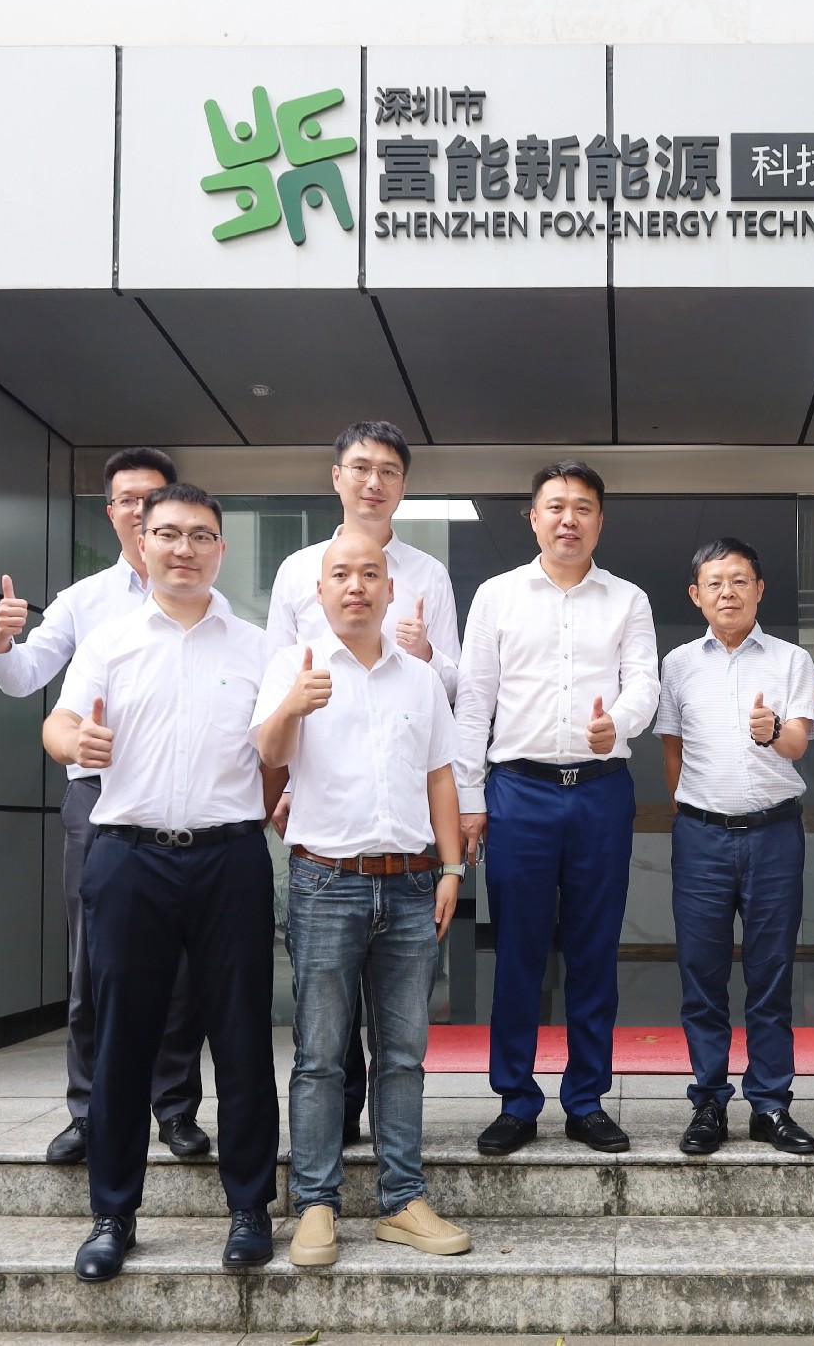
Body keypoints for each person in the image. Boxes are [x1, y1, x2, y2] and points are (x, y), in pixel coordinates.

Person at [43, 483, 283, 1282]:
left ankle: (249, 1207)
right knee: (123, 1038)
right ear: (142, 543)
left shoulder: (256, 646)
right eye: (169, 533)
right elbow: (58, 723)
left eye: (201, 535)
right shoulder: (109, 641)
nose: (185, 548)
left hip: (229, 857)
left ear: (221, 550)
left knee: (241, 1036)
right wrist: (73, 739)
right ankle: (112, 1214)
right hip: (128, 856)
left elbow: (277, 752)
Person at [0, 446, 209, 1167]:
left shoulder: (209, 600)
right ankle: (88, 1112)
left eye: (152, 497)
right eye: (126, 499)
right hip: (97, 801)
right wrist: (1, 641)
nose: (140, 510)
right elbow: (27, 678)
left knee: (180, 969)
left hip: (179, 805)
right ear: (111, 513)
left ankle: (175, 1108)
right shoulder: (85, 600)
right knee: (94, 962)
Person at [253, 533, 472, 1267]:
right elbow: (268, 754)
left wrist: (451, 869)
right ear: (319, 591)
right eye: (341, 574)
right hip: (326, 882)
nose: (356, 585)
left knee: (403, 1054)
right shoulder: (293, 663)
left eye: (370, 574)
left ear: (389, 589)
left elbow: (440, 776)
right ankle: (316, 1203)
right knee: (320, 1053)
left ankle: (402, 1199)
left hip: (413, 884)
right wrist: (292, 706)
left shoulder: (420, 678)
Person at [454, 461, 659, 1157]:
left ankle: (586, 1099)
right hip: (520, 791)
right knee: (518, 950)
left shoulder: (627, 599)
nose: (569, 519)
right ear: (533, 518)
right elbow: (474, 701)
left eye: (583, 507)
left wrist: (618, 724)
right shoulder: (497, 595)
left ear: (600, 520)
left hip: (601, 790)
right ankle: (515, 1099)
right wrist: (470, 798)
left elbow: (644, 684)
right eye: (555, 506)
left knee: (595, 949)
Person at [266, 420, 462, 1148]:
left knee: (400, 1043)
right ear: (337, 477)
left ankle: (395, 1177)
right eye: (359, 466)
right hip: (324, 830)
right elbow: (277, 694)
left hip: (406, 845)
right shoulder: (295, 569)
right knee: (322, 1039)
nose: (373, 481)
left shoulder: (428, 575)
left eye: (388, 470)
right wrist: (284, 779)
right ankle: (324, 1161)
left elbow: (448, 703)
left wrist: (426, 651)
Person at [655, 538, 814, 1157]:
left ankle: (771, 1104)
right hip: (701, 837)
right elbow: (671, 746)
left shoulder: (790, 660)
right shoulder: (677, 664)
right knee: (701, 973)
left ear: (759, 589)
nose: (728, 592)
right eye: (715, 582)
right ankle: (708, 1102)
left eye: (740, 580)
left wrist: (772, 730)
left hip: (775, 835)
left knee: (770, 973)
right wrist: (691, 808)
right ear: (696, 595)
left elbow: (800, 742)